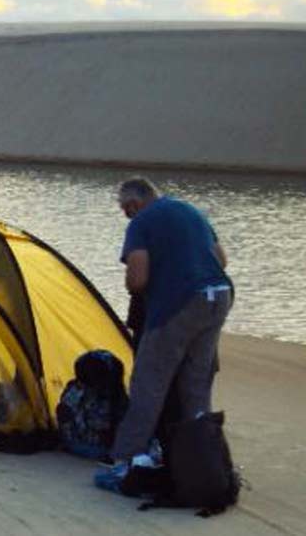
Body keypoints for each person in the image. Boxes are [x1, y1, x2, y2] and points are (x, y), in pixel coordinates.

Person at [96, 177, 231, 487]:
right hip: (219, 295)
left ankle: (128, 460)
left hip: (180, 304)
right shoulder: (190, 210)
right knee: (197, 383)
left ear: (133, 204)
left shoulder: (141, 222)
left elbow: (137, 280)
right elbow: (221, 260)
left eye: (124, 210)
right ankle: (200, 457)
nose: (126, 216)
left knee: (149, 382)